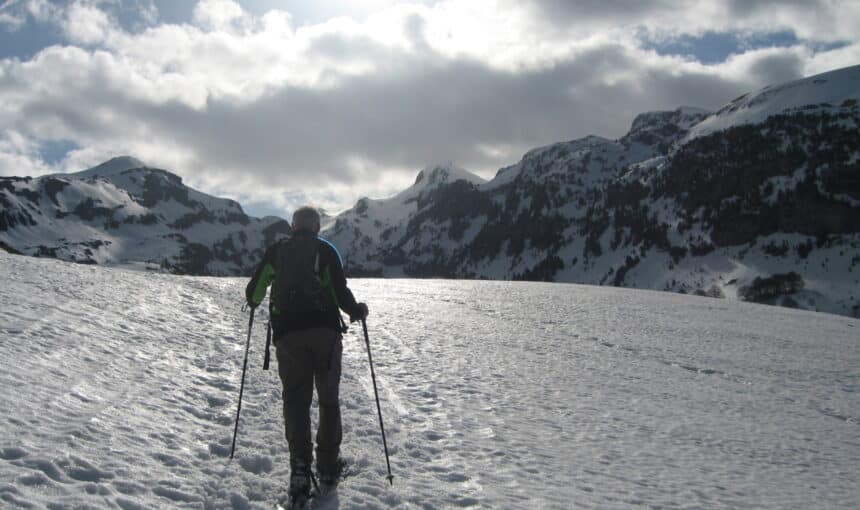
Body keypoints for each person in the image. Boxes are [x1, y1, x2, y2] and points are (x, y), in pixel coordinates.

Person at [245, 206, 368, 503]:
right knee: (328, 400)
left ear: (292, 226)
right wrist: (357, 311)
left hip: (289, 338)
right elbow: (340, 292)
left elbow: (253, 294)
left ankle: (299, 468)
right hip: (325, 336)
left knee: (296, 401)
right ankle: (327, 467)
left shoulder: (277, 251)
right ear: (315, 226)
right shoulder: (326, 251)